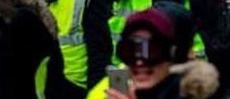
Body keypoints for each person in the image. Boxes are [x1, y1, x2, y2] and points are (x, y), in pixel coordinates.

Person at [85, 9, 219, 99]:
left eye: (151, 51)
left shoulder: (200, 92)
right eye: (131, 51)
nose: (140, 62)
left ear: (172, 54)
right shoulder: (112, 91)